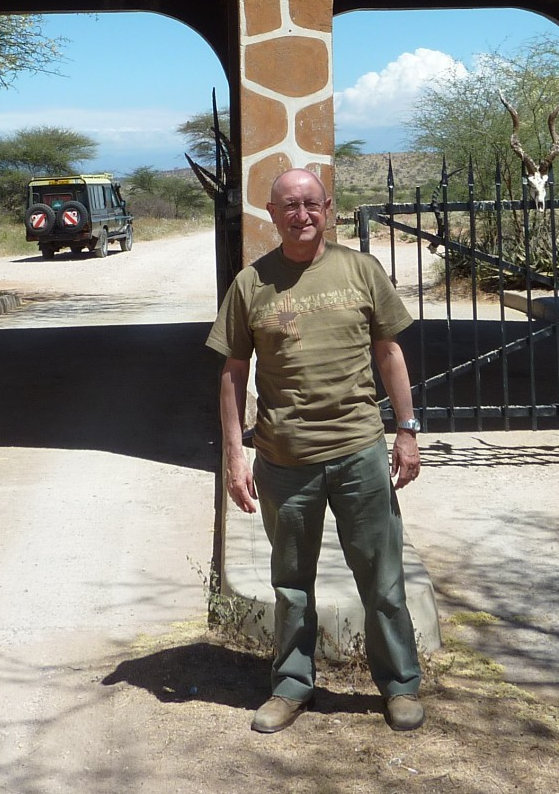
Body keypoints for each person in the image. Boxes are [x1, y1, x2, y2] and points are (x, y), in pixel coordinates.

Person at [209, 167, 425, 734]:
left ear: (328, 208)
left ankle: (400, 686)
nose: (301, 215)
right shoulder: (251, 284)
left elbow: (389, 354)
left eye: (311, 204)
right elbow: (233, 374)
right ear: (272, 213)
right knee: (290, 582)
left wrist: (406, 430)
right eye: (289, 206)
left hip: (359, 451)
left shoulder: (362, 269)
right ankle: (291, 686)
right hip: (284, 459)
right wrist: (235, 455)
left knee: (381, 578)